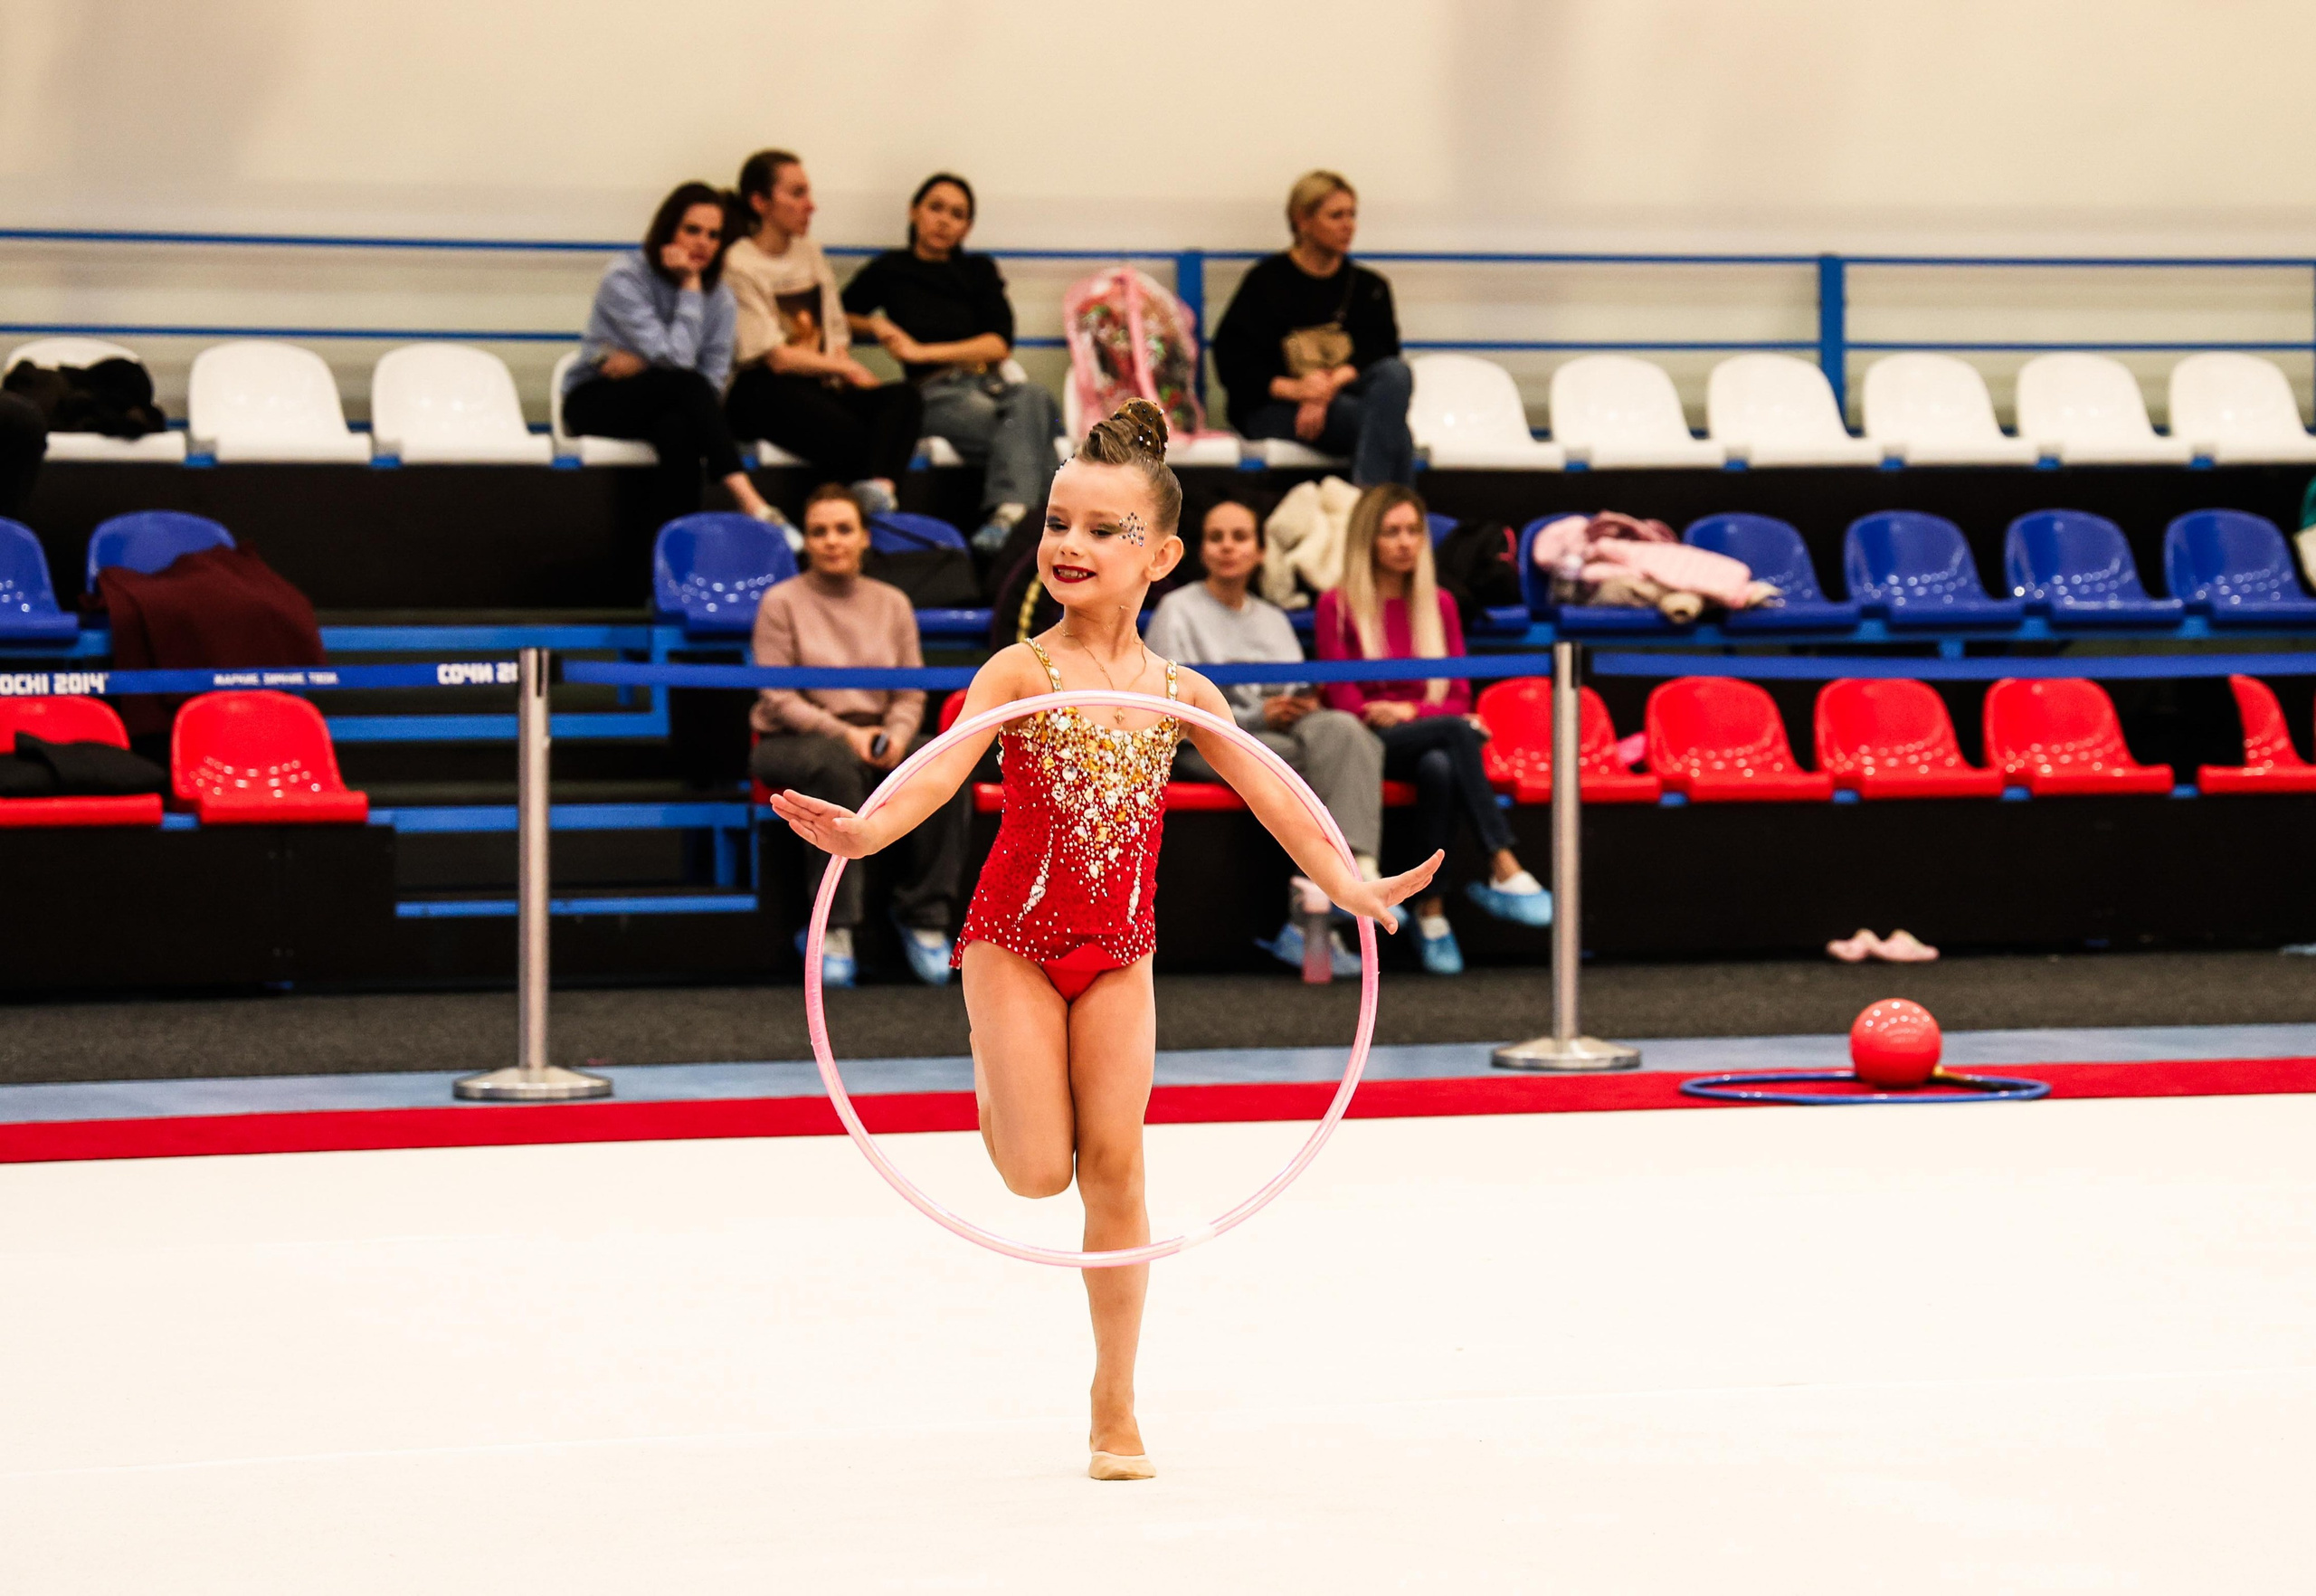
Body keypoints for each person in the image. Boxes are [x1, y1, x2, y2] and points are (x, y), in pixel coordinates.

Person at [769, 401, 1438, 1480]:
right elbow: (938, 772)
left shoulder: (1186, 696)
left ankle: (1114, 1404)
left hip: (1122, 949)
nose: (1069, 546)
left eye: (1101, 530)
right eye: (1057, 523)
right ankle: (1000, 1077)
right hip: (1014, 942)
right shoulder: (1019, 672)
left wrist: (1348, 883)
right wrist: (864, 830)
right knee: (1039, 1175)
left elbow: (1276, 794)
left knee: (1119, 1168)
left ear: (1160, 555)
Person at [1145, 489, 1385, 975]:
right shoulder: (1178, 612)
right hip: (1207, 744)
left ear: (1259, 551)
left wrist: (1299, 705)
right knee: (1315, 762)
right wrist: (1257, 718)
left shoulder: (1274, 619)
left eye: (1239, 537)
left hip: (1279, 737)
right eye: (1216, 537)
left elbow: (1295, 689)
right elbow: (1166, 708)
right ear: (1201, 550)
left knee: (1343, 730)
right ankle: (1329, 894)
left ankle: (1357, 865)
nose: (1228, 547)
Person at [1315, 484, 1552, 975]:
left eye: (1413, 531)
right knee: (1457, 734)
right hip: (1367, 744)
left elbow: (1460, 696)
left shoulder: (1440, 603)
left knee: (1442, 763)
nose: (1405, 543)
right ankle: (1503, 864)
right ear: (1368, 540)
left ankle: (1431, 912)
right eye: (1391, 532)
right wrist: (1420, 713)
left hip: (1423, 737)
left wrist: (1406, 713)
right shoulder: (1336, 606)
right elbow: (1345, 703)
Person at [749, 483, 967, 989]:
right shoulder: (780, 602)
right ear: (805, 541)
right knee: (834, 764)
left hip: (878, 734)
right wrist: (848, 734)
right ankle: (836, 927)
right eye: (819, 531)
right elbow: (778, 697)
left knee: (941, 760)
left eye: (843, 529)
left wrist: (894, 736)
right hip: (795, 740)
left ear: (865, 537)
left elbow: (912, 691)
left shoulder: (892, 603)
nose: (832, 541)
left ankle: (925, 917)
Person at [843, 174, 1062, 555]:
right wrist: (877, 324)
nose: (944, 220)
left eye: (957, 214)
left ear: (968, 227)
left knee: (1035, 397)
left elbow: (998, 344)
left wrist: (919, 351)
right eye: (936, 208)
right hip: (935, 392)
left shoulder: (977, 270)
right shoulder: (890, 269)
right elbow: (840, 314)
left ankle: (1010, 517)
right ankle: (1025, 526)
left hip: (993, 385)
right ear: (914, 211)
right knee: (1033, 440)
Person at [563, 182, 783, 533]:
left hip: (671, 403)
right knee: (683, 385)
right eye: (692, 230)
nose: (702, 243)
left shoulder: (722, 299)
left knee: (679, 433)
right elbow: (680, 363)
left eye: (713, 235)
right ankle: (745, 495)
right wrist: (691, 287)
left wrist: (645, 362)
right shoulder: (625, 277)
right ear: (668, 230)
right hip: (596, 397)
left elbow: (711, 380)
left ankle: (667, 573)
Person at [723, 150, 923, 518]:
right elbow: (777, 357)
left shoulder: (810, 253)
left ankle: (878, 492)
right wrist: (845, 370)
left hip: (818, 384)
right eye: (797, 194)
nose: (810, 206)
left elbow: (835, 332)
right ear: (760, 202)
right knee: (851, 434)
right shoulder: (739, 262)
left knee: (903, 398)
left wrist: (845, 371)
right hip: (762, 389)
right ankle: (861, 517)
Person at [1211, 171, 1415, 487]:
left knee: (1396, 374)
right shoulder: (1266, 282)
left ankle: (1371, 516)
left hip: (1342, 395)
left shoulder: (1369, 287)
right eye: (1336, 216)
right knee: (1392, 431)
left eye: (1352, 215)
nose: (1349, 225)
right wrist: (1299, 391)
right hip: (1274, 406)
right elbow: (1235, 362)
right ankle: (1379, 522)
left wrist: (1324, 390)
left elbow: (1380, 351)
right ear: (1302, 221)